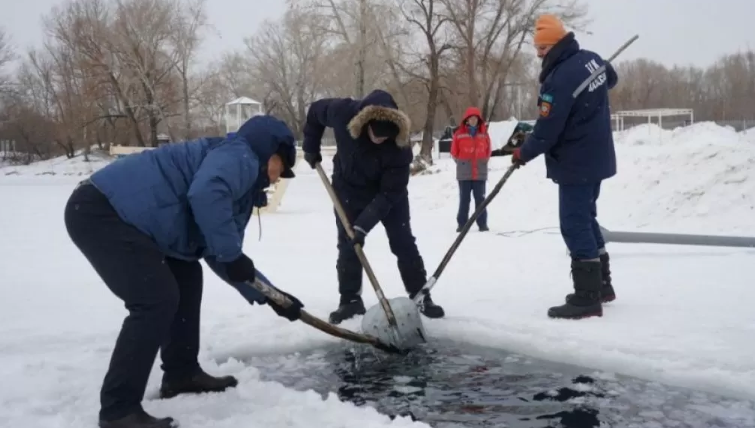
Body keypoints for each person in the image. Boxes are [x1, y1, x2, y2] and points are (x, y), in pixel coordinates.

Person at [64, 115, 305, 428]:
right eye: (281, 170)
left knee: (187, 276)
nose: (277, 179)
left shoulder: (238, 177)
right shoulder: (242, 156)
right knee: (155, 299)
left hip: (130, 220)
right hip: (105, 211)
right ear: (273, 153)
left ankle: (181, 374)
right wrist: (233, 257)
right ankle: (118, 410)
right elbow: (206, 195)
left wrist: (271, 296)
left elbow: (220, 253)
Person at [301, 89, 445, 324]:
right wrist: (310, 145)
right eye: (375, 136)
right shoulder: (342, 112)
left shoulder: (400, 148)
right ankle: (350, 301)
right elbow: (315, 112)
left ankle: (420, 296)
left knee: (403, 242)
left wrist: (363, 226)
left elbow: (390, 193)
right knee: (348, 244)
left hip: (388, 194)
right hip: (348, 188)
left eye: (385, 138)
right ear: (365, 123)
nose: (380, 140)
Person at [511, 14, 618, 320]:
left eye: (542, 47)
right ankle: (602, 286)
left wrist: (523, 153)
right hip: (596, 157)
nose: (538, 53)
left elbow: (547, 131)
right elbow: (611, 79)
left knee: (574, 223)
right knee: (586, 218)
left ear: (555, 43)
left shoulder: (559, 80)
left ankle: (586, 298)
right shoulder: (590, 59)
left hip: (576, 161)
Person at [450, 106, 492, 232]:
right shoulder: (459, 134)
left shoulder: (484, 134)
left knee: (480, 199)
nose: (473, 121)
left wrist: (483, 161)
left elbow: (488, 151)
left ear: (478, 120)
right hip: (464, 173)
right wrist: (462, 163)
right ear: (466, 120)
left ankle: (482, 224)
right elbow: (454, 152)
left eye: (475, 118)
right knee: (464, 199)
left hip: (480, 172)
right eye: (471, 118)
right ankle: (462, 224)